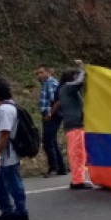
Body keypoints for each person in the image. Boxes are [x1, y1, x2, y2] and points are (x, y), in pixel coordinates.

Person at [0, 76, 29, 220]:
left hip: (7, 156)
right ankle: (7, 211)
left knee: (13, 184)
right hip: (1, 155)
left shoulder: (4, 109)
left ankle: (21, 214)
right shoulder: (4, 107)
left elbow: (4, 134)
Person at [51, 61, 93, 190]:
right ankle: (78, 180)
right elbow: (79, 82)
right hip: (75, 124)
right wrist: (81, 69)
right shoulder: (68, 87)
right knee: (78, 154)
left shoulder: (64, 89)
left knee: (77, 153)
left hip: (72, 124)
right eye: (75, 75)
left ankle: (77, 178)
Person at [36, 65, 66, 177]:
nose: (39, 75)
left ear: (49, 72)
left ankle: (54, 168)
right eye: (38, 74)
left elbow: (57, 100)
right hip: (48, 114)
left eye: (41, 73)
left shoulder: (51, 83)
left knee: (48, 141)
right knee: (52, 141)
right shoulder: (45, 84)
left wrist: (50, 113)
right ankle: (61, 168)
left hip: (52, 115)